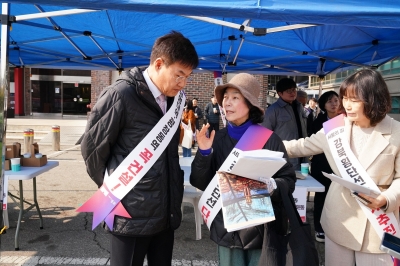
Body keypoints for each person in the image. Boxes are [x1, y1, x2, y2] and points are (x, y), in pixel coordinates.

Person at [80, 31, 198, 266]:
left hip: (165, 214)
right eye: (179, 75)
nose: (183, 83)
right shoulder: (120, 95)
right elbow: (93, 152)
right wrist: (115, 192)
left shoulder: (175, 101)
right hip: (129, 216)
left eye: (188, 77)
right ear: (158, 64)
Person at [283, 69, 400, 266]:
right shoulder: (335, 127)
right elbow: (302, 145)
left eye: (354, 99)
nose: (346, 105)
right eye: (344, 98)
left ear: (374, 99)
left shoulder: (396, 131)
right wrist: (267, 144)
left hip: (378, 224)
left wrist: (385, 199)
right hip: (340, 218)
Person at [190, 73, 296, 266]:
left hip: (262, 231)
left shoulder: (270, 139)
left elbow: (288, 181)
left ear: (250, 104)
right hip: (227, 230)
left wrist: (270, 186)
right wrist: (204, 152)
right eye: (226, 97)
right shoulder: (217, 138)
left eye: (235, 97)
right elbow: (199, 181)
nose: (227, 103)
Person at [307, 91, 340, 242]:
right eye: (329, 102)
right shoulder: (317, 121)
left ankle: (336, 228)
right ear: (323, 106)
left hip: (340, 166)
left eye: (336, 100)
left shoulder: (347, 120)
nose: (334, 104)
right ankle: (319, 228)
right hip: (321, 165)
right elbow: (310, 143)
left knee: (338, 198)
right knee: (321, 197)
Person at [262, 77, 307, 171]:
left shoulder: (299, 106)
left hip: (302, 155)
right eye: (288, 91)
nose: (293, 93)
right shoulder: (273, 110)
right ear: (280, 93)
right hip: (284, 156)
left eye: (294, 89)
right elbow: (265, 135)